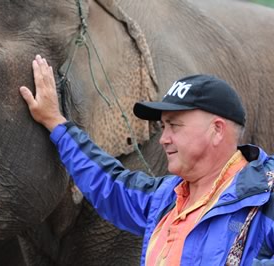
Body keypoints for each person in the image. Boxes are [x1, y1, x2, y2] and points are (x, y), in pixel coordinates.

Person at [19, 54, 274, 265]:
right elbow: (109, 183)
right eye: (163, 127)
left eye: (174, 126)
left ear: (217, 130)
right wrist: (55, 123)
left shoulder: (266, 200)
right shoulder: (165, 198)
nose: (164, 138)